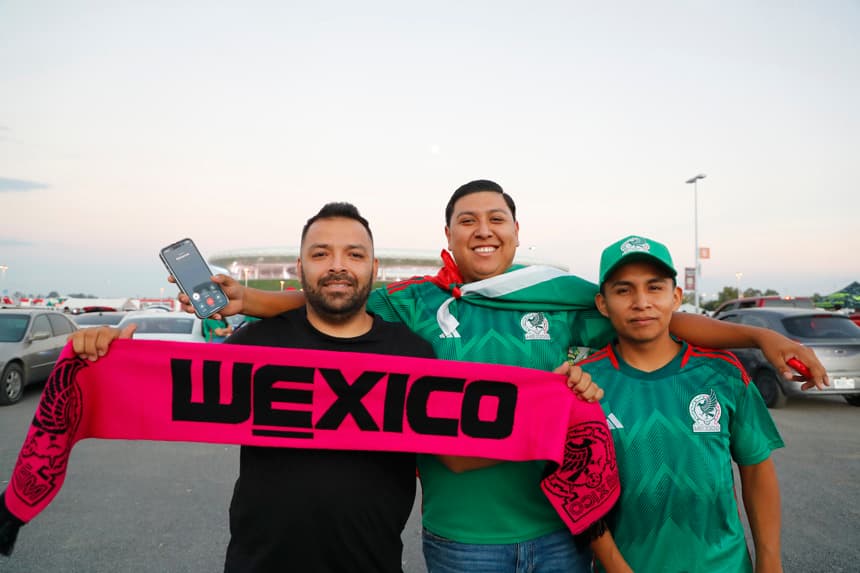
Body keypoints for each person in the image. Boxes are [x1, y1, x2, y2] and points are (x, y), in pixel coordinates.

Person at [177, 180, 825, 573]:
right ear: (448, 235)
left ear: (517, 232)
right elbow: (338, 295)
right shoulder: (418, 302)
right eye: (467, 220)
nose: (483, 229)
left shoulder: (570, 293)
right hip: (463, 540)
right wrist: (252, 302)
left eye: (496, 219)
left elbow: (662, 319)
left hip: (561, 533)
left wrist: (760, 333)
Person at [71, 203, 438, 573]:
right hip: (261, 563)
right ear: (300, 268)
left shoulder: (414, 355)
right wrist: (111, 356)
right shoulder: (255, 345)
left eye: (354, 254)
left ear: (374, 270)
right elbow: (169, 390)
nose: (337, 266)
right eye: (320, 253)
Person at [584, 235, 783, 572]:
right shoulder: (584, 384)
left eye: (655, 287)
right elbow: (581, 494)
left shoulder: (724, 374)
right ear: (603, 304)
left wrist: (769, 559)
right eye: (623, 290)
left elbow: (757, 469)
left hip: (725, 565)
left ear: (676, 297)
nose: (641, 302)